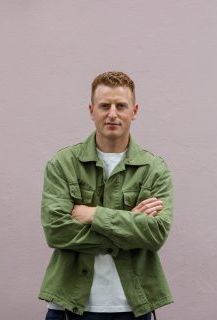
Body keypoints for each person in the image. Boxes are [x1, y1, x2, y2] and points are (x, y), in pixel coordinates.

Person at [39, 71, 174, 320]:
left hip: (133, 307)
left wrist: (94, 214)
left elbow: (156, 234)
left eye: (121, 106)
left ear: (134, 110)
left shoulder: (154, 168)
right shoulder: (63, 164)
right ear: (92, 111)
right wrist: (128, 223)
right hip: (69, 306)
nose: (112, 114)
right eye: (104, 106)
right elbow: (56, 230)